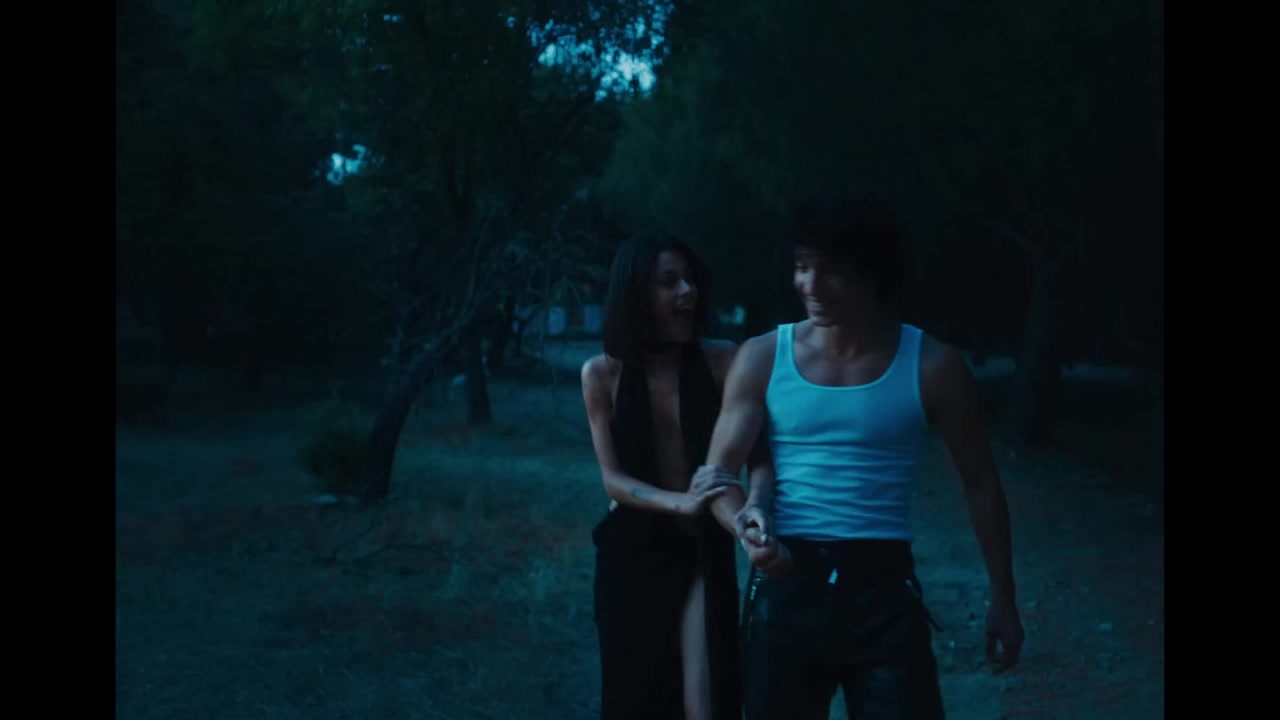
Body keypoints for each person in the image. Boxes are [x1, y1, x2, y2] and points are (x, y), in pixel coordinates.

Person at [695, 186, 1026, 720]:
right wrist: (746, 527)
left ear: (873, 273)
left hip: (884, 593)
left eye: (831, 270)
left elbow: (981, 483)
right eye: (802, 267)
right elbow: (717, 477)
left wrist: (1003, 597)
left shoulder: (934, 365)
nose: (810, 285)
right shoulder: (762, 356)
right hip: (785, 582)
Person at [581, 230, 768, 720]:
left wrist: (754, 506)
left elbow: (760, 454)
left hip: (704, 545)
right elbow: (612, 479)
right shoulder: (601, 375)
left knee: (706, 702)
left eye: (690, 280)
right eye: (669, 282)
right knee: (637, 699)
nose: (688, 292)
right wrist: (678, 500)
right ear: (636, 294)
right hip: (632, 552)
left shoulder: (724, 360)